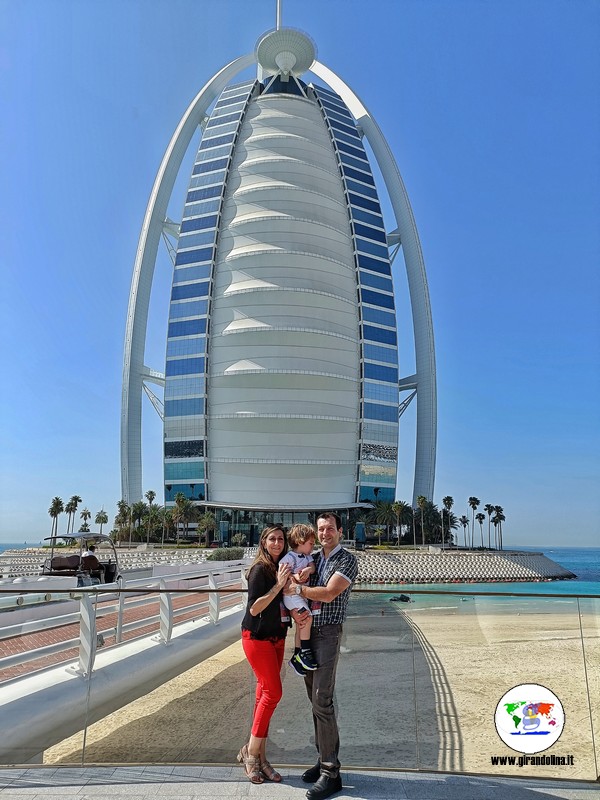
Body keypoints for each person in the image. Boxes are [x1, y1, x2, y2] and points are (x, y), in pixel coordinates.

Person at [286, 512, 358, 800]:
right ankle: (324, 758)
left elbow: (328, 594)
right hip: (308, 632)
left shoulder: (346, 559)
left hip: (328, 632)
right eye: (321, 529)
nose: (325, 533)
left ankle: (331, 772)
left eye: (330, 528)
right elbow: (289, 570)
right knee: (313, 699)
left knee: (322, 699)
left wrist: (299, 588)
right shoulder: (313, 557)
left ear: (340, 531)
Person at [238, 525, 294, 784]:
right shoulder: (260, 570)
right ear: (263, 542)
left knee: (264, 695)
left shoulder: (282, 565)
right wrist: (279, 585)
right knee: (274, 692)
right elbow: (254, 608)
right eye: (272, 538)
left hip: (277, 638)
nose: (277, 543)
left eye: (281, 539)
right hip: (257, 638)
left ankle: (260, 757)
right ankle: (251, 753)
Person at [279, 523, 317, 675]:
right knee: (307, 618)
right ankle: (305, 650)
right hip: (292, 596)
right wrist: (294, 576)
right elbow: (284, 572)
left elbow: (313, 567)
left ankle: (297, 655)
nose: (313, 546)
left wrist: (308, 569)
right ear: (300, 541)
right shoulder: (289, 557)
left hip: (301, 595)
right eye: (311, 543)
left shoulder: (307, 557)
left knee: (301, 625)